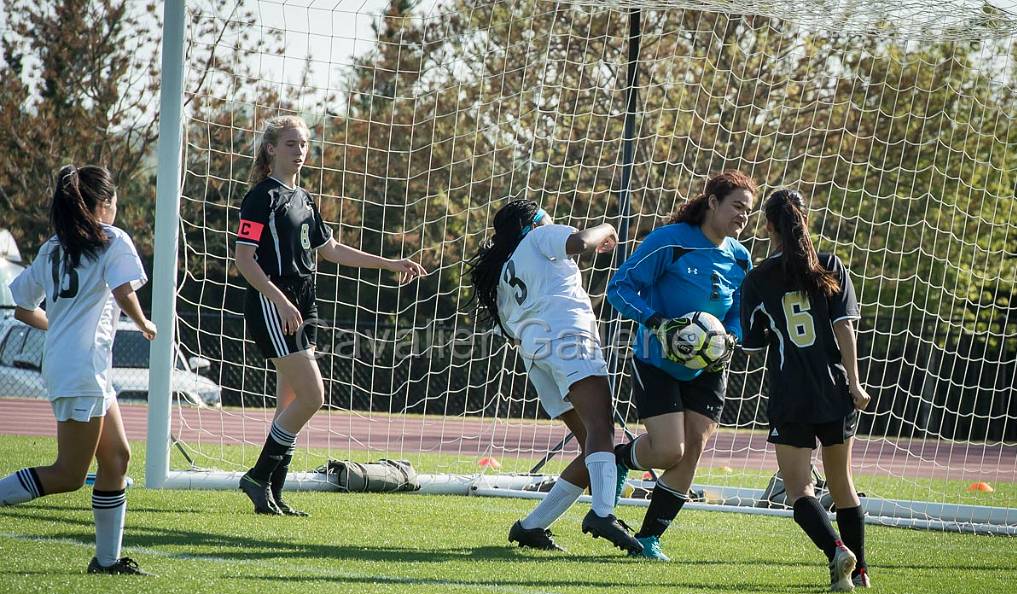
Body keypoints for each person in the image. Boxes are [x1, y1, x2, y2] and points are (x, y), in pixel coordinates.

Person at [235, 115, 426, 516]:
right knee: (314, 396)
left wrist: (388, 264)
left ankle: (272, 492)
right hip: (275, 302)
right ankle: (257, 476)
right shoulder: (260, 197)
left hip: (305, 303)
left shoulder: (303, 198)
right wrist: (280, 299)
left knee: (289, 403)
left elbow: (332, 250)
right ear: (271, 149)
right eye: (291, 144)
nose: (300, 151)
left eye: (304, 144)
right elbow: (245, 261)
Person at [1, 165, 155, 575]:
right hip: (83, 369)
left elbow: (21, 307)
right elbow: (123, 291)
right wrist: (144, 324)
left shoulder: (54, 246)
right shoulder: (112, 239)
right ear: (104, 205)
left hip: (74, 365)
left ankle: (106, 561)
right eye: (116, 201)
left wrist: (61, 329)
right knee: (69, 473)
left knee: (117, 459)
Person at [467, 199, 642, 555]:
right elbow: (582, 243)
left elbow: (512, 334)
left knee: (594, 444)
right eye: (546, 215)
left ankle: (531, 527)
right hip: (566, 336)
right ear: (532, 222)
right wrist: (609, 228)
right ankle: (603, 514)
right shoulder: (541, 235)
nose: (553, 218)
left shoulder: (503, 274)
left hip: (535, 356)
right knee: (601, 429)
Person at [606, 170, 756, 561]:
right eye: (737, 206)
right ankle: (624, 457)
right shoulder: (669, 241)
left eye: (749, 211)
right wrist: (657, 323)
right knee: (670, 449)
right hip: (657, 359)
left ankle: (648, 539)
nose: (743, 216)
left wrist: (732, 337)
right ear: (712, 203)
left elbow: (740, 312)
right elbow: (618, 288)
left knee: (693, 452)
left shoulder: (740, 257)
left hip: (709, 367)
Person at [740, 188, 871, 591]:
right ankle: (862, 572)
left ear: (768, 227)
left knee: (799, 489)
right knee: (843, 483)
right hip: (835, 389)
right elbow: (843, 326)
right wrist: (855, 383)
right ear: (805, 219)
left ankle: (837, 551)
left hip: (792, 393)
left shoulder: (759, 278)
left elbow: (753, 340)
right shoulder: (831, 265)